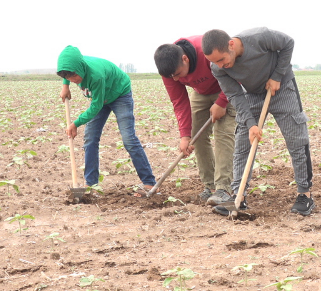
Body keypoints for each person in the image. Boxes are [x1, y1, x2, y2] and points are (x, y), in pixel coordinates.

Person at [202, 28, 315, 216]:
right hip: (252, 94)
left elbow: (288, 43)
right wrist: (250, 124)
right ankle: (238, 197)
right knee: (242, 144)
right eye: (214, 62)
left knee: (296, 140)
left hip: (282, 87)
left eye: (221, 59)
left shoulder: (260, 37)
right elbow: (235, 95)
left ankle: (305, 195)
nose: (220, 66)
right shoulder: (218, 69)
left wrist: (277, 76)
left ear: (231, 44)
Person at [57, 45, 156, 192]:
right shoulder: (74, 69)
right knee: (90, 138)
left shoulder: (95, 75)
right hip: (100, 97)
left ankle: (149, 182)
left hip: (119, 93)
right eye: (68, 78)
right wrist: (65, 86)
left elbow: (95, 107)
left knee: (128, 138)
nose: (73, 80)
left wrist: (76, 123)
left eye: (73, 76)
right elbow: (67, 71)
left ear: (80, 67)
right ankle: (91, 185)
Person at [154, 36, 236, 205]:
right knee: (196, 137)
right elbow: (179, 101)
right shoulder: (169, 70)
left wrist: (221, 102)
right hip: (201, 93)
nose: (176, 80)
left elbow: (235, 75)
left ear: (185, 59)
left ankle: (224, 188)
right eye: (172, 77)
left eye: (178, 74)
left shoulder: (206, 50)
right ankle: (211, 186)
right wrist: (184, 136)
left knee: (223, 135)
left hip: (227, 88)